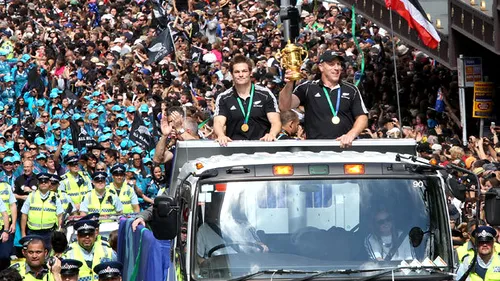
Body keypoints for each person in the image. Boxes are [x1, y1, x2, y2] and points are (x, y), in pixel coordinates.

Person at [278, 50, 368, 147]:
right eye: (331, 64)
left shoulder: (351, 89)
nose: (337, 68)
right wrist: (290, 83)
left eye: (338, 64)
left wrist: (351, 134)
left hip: (344, 146)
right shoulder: (308, 88)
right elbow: (284, 106)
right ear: (321, 67)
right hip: (316, 149)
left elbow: (362, 117)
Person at [214, 54, 281, 146]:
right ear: (232, 74)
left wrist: (272, 134)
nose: (241, 75)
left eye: (244, 71)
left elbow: (275, 121)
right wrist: (221, 135)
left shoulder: (265, 94)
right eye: (237, 72)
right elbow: (218, 122)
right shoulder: (224, 97)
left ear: (250, 72)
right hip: (234, 149)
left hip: (262, 147)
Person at [20, 173, 64, 250]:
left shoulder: (55, 197)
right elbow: (24, 215)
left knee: (48, 255)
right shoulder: (31, 196)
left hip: (49, 233)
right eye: (41, 182)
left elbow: (60, 215)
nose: (43, 183)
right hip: (33, 232)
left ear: (49, 183)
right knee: (35, 255)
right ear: (37, 183)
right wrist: (23, 233)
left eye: (46, 181)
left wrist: (58, 231)